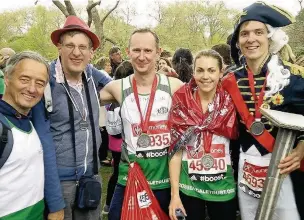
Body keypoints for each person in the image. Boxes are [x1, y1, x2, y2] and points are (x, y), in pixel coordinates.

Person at [223, 2, 304, 219]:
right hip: (245, 165)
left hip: (284, 167)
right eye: (244, 34)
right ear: (238, 42)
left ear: (270, 37)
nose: (251, 39)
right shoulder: (229, 80)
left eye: (259, 32)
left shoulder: (293, 77)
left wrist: (302, 149)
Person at [31, 15, 112, 220]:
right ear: (59, 47)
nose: (76, 53)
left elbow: (117, 87)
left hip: (91, 178)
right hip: (59, 182)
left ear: (91, 52)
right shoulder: (46, 78)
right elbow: (43, 140)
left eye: (83, 47)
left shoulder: (92, 75)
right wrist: (54, 198)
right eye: (70, 46)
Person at [100, 28, 184, 220]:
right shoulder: (117, 87)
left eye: (148, 51)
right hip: (129, 177)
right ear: (128, 52)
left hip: (164, 180)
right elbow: (84, 95)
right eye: (136, 50)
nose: (142, 56)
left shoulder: (175, 87)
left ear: (158, 52)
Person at [168, 50, 238, 220]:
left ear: (221, 72)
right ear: (193, 72)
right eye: (200, 70)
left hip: (223, 188)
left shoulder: (231, 101)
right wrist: (175, 195)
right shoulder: (181, 101)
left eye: (211, 70)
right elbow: (175, 152)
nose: (205, 76)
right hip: (189, 187)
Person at [0, 51, 49, 219]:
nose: (32, 89)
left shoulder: (29, 120)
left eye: (40, 83)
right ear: (7, 78)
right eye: (24, 79)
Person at [102, 60, 134, 216]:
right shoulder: (125, 94)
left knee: (116, 174)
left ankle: (108, 204)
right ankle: (121, 204)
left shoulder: (111, 94)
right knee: (123, 175)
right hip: (124, 142)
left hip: (113, 142)